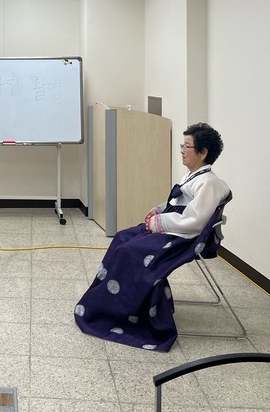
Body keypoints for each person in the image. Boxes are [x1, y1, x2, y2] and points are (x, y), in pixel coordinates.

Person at [74, 122, 230, 352]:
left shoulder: (209, 183)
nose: (181, 150)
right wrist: (158, 211)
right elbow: (177, 204)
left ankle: (122, 311)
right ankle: (109, 303)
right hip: (174, 228)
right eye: (182, 145)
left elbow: (194, 221)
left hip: (184, 238)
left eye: (186, 146)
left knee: (129, 252)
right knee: (121, 238)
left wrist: (159, 222)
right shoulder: (194, 176)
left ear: (203, 152)